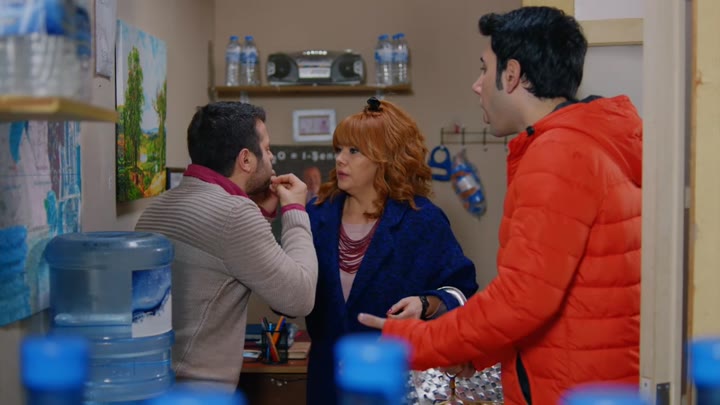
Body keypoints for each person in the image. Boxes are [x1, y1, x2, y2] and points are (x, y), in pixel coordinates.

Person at [358, 6, 642, 405]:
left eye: (483, 69)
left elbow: (521, 300)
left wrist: (416, 341)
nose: (477, 85)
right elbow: (544, 294)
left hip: (568, 388)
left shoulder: (559, 153)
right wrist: (474, 351)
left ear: (512, 74)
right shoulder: (584, 141)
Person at [305, 97, 479, 405]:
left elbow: (461, 291)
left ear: (385, 158)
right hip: (326, 383)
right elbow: (285, 294)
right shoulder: (316, 215)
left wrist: (426, 304)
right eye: (338, 149)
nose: (340, 159)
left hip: (396, 384)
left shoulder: (422, 220)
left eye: (354, 151)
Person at [135, 102, 318, 391]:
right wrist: (295, 210)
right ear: (246, 159)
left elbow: (218, 256)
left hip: (152, 383)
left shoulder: (157, 207)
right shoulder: (234, 214)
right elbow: (299, 298)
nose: (272, 157)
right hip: (197, 393)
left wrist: (261, 214)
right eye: (267, 149)